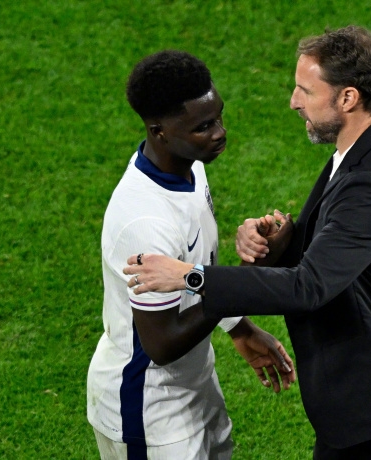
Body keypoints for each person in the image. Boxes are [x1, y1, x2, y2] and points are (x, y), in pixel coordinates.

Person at [124, 26, 371, 459]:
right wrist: (285, 241)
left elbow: (307, 288)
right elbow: (349, 250)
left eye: (305, 91)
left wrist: (191, 276)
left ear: (347, 98)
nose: (293, 101)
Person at [87, 50, 295, 460]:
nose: (220, 133)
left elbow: (197, 271)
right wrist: (242, 281)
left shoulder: (189, 167)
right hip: (150, 409)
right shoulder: (145, 222)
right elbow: (161, 344)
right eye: (203, 127)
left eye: (218, 117)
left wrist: (238, 327)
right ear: (159, 131)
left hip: (194, 383)